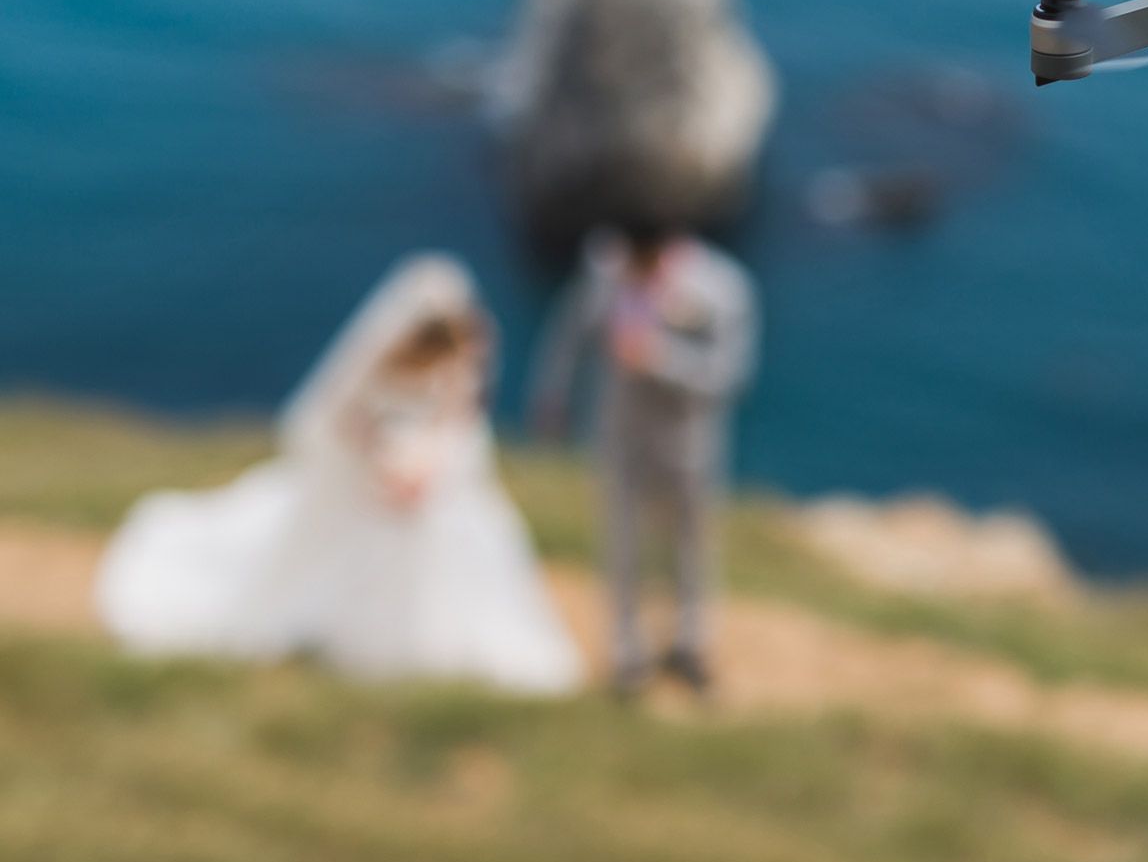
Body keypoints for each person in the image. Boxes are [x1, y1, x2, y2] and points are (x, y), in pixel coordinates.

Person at [95, 254, 582, 694]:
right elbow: (346, 419)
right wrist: (385, 462)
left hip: (425, 482)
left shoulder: (464, 354)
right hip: (379, 481)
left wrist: (427, 470)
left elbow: (456, 421)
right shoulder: (388, 357)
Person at [531, 224, 756, 698]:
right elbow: (571, 333)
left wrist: (659, 356)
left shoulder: (721, 286)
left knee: (690, 544)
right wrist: (553, 398)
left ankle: (690, 643)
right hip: (619, 437)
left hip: (689, 441)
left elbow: (727, 376)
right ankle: (627, 651)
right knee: (622, 543)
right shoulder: (605, 271)